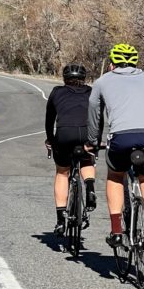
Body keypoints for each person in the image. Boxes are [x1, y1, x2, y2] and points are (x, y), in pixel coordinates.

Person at [87, 42, 144, 255]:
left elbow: (94, 113)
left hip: (122, 137)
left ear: (112, 63)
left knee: (115, 177)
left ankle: (116, 231)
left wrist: (92, 141)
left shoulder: (102, 81)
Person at [45, 63, 96, 236]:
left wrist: (50, 139)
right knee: (87, 159)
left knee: (62, 172)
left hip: (64, 134)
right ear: (84, 79)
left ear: (64, 79)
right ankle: (90, 189)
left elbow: (49, 120)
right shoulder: (91, 92)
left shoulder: (57, 92)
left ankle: (60, 220)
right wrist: (94, 141)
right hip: (86, 133)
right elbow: (99, 117)